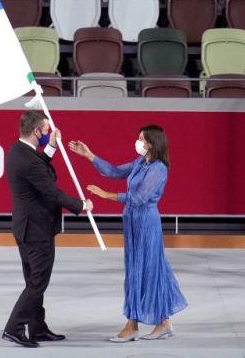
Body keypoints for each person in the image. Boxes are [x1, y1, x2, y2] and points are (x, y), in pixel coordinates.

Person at [69, 125, 187, 342]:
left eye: (142, 138)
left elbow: (140, 198)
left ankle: (132, 324)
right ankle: (163, 322)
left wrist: (106, 195)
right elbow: (113, 171)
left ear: (152, 143)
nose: (138, 141)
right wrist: (89, 155)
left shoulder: (159, 169)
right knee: (145, 269)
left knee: (144, 271)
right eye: (138, 137)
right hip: (132, 221)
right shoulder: (141, 163)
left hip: (146, 223)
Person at [2, 110, 94, 348]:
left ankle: (37, 327)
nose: (48, 133)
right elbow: (51, 192)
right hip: (36, 230)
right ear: (36, 131)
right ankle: (14, 328)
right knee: (37, 282)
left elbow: (39, 165)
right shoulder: (28, 160)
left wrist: (51, 146)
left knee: (34, 280)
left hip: (25, 227)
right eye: (46, 131)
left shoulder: (18, 151)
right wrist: (81, 205)